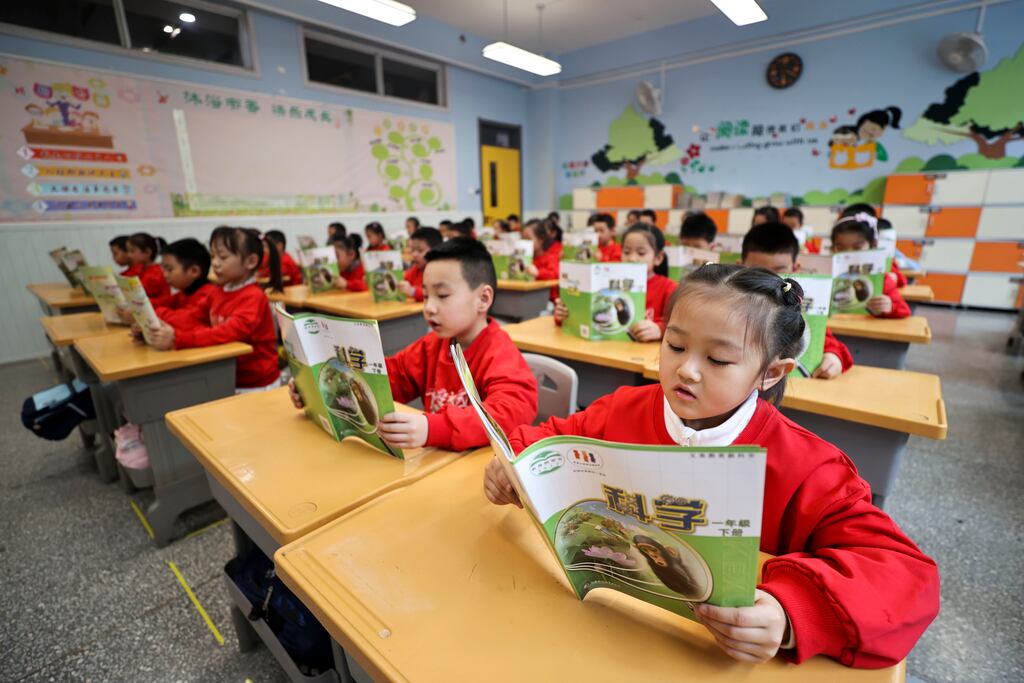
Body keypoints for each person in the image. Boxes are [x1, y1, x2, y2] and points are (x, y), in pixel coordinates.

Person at [486, 264, 939, 668]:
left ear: (771, 373)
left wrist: (788, 612)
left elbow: (905, 577)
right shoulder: (623, 408)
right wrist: (515, 463)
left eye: (718, 359)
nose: (686, 370)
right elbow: (554, 437)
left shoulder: (809, 467)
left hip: (713, 654)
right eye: (675, 345)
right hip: (607, 633)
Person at [289, 238, 537, 451]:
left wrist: (432, 428)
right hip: (438, 461)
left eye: (442, 295)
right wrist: (319, 387)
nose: (429, 307)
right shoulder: (432, 346)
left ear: (483, 298)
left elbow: (506, 416)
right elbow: (388, 378)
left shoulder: (500, 354)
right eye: (426, 295)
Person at [149, 227, 283, 392]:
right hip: (229, 375)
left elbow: (228, 332)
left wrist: (179, 339)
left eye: (223, 257)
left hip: (256, 384)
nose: (215, 263)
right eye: (213, 256)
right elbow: (192, 316)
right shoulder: (218, 291)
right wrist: (155, 323)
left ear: (251, 261)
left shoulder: (254, 297)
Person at [739, 222, 852, 379]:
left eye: (779, 272)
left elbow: (829, 343)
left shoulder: (796, 303)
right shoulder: (728, 303)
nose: (770, 283)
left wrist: (834, 357)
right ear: (740, 267)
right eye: (759, 273)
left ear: (795, 269)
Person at [554, 223, 675, 340]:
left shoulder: (669, 288)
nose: (632, 258)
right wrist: (564, 315)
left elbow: (681, 327)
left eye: (641, 253)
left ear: (658, 258)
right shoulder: (607, 282)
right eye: (626, 252)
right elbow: (589, 317)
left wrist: (660, 329)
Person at [831, 218, 910, 318]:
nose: (848, 253)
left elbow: (904, 309)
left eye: (857, 248)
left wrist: (890, 306)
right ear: (833, 248)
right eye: (840, 248)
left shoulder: (881, 279)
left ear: (872, 246)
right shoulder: (825, 274)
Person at [149, 238, 216, 329]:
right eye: (163, 269)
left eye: (169, 269)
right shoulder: (185, 291)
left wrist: (152, 313)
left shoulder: (207, 295)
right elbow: (163, 302)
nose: (164, 275)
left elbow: (186, 320)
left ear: (194, 271)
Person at [399, 227, 443, 302]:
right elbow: (405, 280)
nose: (414, 254)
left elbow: (434, 293)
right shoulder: (415, 270)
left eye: (420, 250)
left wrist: (413, 291)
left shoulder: (440, 271)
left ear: (435, 251)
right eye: (412, 250)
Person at [126, 233, 170, 299]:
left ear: (147, 252)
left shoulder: (155, 274)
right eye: (128, 251)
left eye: (132, 251)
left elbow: (137, 294)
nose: (129, 255)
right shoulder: (140, 268)